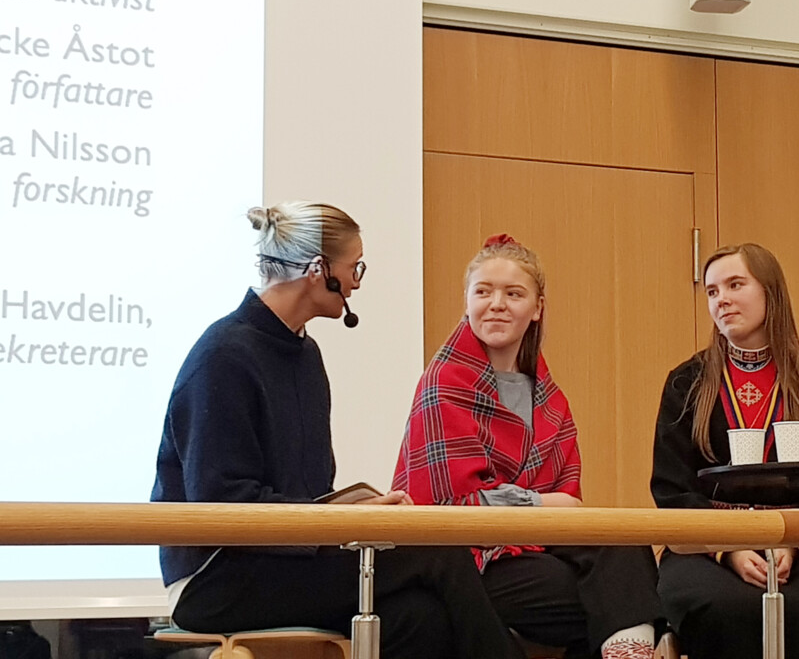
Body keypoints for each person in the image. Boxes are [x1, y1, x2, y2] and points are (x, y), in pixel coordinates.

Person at [151, 202, 523, 659]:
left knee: (418, 616)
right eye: (354, 268)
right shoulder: (223, 357)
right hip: (216, 578)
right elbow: (224, 504)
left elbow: (305, 496)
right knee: (438, 554)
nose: (355, 283)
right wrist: (341, 520)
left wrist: (354, 506)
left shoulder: (305, 357)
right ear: (317, 270)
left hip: (280, 559)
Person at [392, 234, 664, 659]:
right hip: (469, 561)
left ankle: (630, 647)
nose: (497, 303)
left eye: (513, 293)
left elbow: (569, 504)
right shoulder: (443, 384)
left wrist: (543, 508)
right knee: (620, 600)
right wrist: (539, 504)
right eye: (483, 292)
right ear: (466, 302)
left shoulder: (551, 398)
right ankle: (636, 646)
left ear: (536, 309)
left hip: (540, 549)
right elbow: (447, 504)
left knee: (625, 544)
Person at [650, 243, 799, 659]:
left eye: (735, 285)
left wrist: (794, 544)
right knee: (725, 610)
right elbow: (670, 488)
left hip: (798, 548)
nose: (722, 300)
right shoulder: (686, 381)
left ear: (771, 292)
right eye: (712, 291)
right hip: (704, 545)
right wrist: (729, 549)